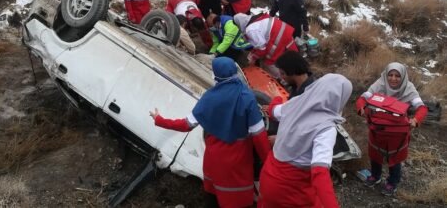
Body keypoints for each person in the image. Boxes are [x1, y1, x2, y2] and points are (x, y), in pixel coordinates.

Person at [149, 57, 270, 208]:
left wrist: (159, 119)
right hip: (237, 161)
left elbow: (185, 125)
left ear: (216, 75)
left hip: (213, 158)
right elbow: (259, 135)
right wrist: (269, 162)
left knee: (213, 198)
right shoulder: (247, 97)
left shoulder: (209, 97)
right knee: (237, 200)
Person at [259, 73, 352, 208]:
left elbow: (273, 111)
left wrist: (277, 97)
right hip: (291, 190)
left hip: (268, 176)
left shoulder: (295, 103)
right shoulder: (326, 128)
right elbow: (320, 173)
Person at [356, 62, 428, 196]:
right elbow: (362, 98)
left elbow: (422, 108)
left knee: (395, 158)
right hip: (377, 129)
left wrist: (415, 120)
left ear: (403, 77)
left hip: (397, 133)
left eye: (397, 76)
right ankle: (375, 176)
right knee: (375, 153)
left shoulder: (409, 89)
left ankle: (392, 182)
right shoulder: (379, 84)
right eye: (390, 75)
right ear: (386, 75)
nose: (393, 79)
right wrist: (360, 108)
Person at [233, 13, 298, 79]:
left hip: (278, 37)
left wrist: (253, 58)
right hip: (284, 31)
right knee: (291, 57)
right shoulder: (256, 18)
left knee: (268, 61)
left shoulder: (250, 30)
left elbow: (262, 48)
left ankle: (280, 78)